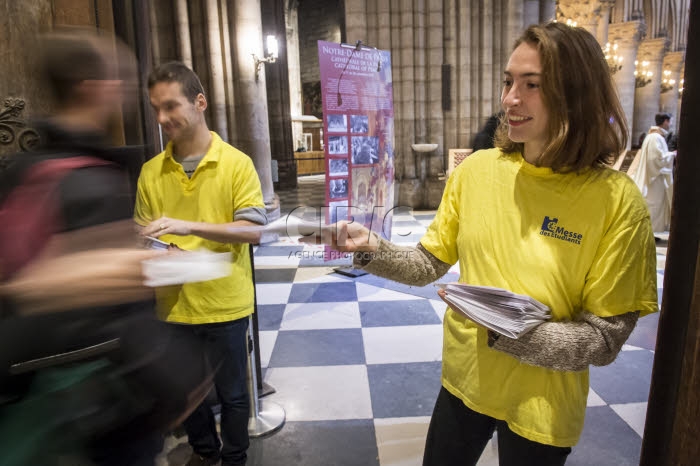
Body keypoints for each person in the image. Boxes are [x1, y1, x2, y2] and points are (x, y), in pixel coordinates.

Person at [309, 22, 658, 465]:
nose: (510, 98)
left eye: (532, 85)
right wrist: (370, 247)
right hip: (466, 378)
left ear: (575, 93)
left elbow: (604, 338)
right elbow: (427, 263)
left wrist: (508, 330)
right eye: (509, 82)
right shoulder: (476, 172)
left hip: (543, 400)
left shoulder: (617, 201)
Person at [0, 29, 210, 466]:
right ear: (92, 87)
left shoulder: (22, 169)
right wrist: (177, 376)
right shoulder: (90, 179)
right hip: (91, 408)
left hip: (44, 392)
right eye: (119, 82)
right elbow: (109, 311)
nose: (125, 97)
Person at [134, 61, 267, 466]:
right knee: (186, 393)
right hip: (173, 304)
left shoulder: (236, 163)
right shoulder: (150, 172)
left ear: (200, 102)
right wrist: (160, 251)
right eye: (156, 108)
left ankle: (236, 458)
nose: (162, 118)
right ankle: (205, 454)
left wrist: (185, 225)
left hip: (225, 300)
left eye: (171, 106)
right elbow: (144, 237)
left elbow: (252, 231)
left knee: (233, 393)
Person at [632, 112, 676, 233]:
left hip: (655, 178)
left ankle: (650, 232)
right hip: (654, 179)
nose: (670, 124)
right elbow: (656, 159)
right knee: (653, 206)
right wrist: (672, 154)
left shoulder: (653, 136)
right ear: (665, 121)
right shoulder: (656, 137)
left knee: (654, 206)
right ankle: (649, 232)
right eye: (670, 121)